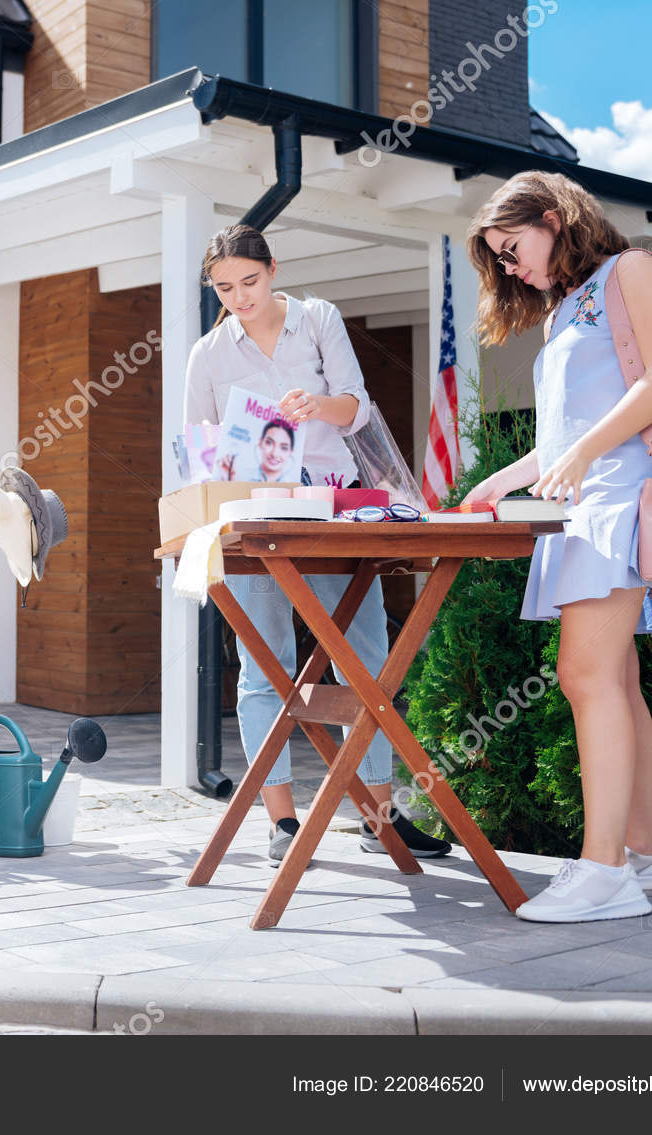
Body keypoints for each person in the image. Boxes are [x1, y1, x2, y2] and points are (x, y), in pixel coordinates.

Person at [465, 171, 652, 923]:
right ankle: (645, 854)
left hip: (619, 502)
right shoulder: (566, 307)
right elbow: (560, 441)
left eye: (512, 247)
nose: (509, 267)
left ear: (554, 217)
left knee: (585, 673)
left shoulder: (630, 271)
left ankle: (604, 873)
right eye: (499, 259)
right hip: (586, 506)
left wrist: (583, 452)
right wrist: (498, 481)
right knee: (617, 681)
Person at [183, 224, 452, 865]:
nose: (240, 297)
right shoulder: (209, 355)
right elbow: (198, 448)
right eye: (225, 289)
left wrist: (317, 406)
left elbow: (357, 407)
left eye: (249, 281)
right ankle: (282, 822)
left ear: (272, 269)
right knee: (263, 667)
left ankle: (378, 816)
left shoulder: (318, 319)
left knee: (364, 657)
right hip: (256, 521)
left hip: (335, 509)